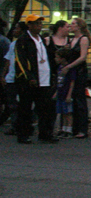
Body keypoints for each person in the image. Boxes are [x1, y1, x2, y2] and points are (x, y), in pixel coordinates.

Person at [14, 14, 58, 144]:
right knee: (25, 108)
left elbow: (48, 58)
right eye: (36, 24)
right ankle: (23, 134)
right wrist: (29, 77)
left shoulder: (42, 40)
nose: (39, 26)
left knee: (45, 109)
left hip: (45, 80)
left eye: (40, 23)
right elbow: (20, 60)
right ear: (29, 25)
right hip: (30, 81)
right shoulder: (23, 40)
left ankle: (45, 133)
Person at [62, 17, 91, 139]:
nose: (70, 26)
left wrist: (69, 66)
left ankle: (82, 129)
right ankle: (73, 127)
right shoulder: (70, 40)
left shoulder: (83, 39)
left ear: (79, 26)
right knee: (71, 98)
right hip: (71, 72)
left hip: (79, 71)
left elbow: (82, 57)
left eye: (73, 24)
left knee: (79, 99)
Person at [1, 22, 25, 134]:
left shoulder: (26, 43)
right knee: (12, 103)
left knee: (20, 103)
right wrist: (4, 75)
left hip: (21, 77)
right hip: (11, 77)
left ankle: (21, 125)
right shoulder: (12, 44)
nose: (14, 30)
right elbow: (8, 60)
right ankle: (16, 125)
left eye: (16, 28)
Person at [53, 47, 78, 138]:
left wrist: (69, 94)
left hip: (66, 92)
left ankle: (69, 130)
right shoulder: (60, 68)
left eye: (57, 57)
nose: (55, 59)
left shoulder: (70, 69)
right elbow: (58, 81)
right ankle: (63, 129)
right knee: (63, 112)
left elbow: (72, 82)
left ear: (62, 58)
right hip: (60, 92)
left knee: (68, 112)